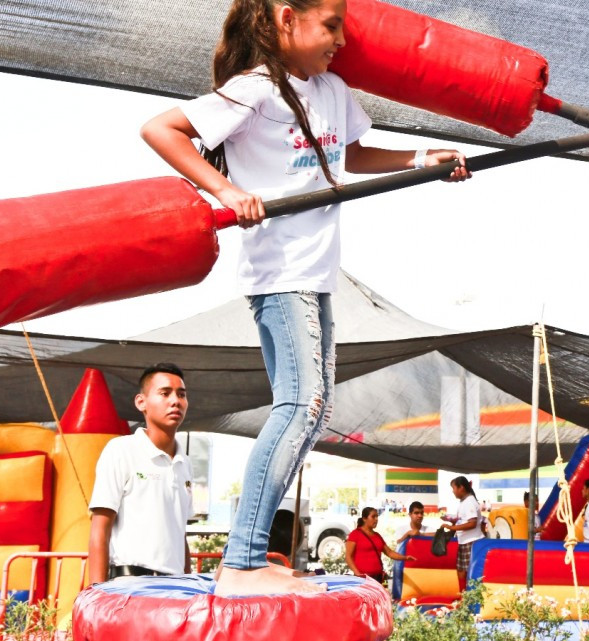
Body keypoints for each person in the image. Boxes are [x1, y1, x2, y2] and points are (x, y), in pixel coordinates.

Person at [140, 0, 469, 597]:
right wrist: (228, 191)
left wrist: (423, 160)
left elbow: (349, 157)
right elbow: (161, 129)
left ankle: (249, 557)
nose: (340, 41)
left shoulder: (333, 90)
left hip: (317, 273)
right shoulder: (255, 90)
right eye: (331, 26)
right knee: (299, 405)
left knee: (313, 412)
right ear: (287, 19)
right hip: (278, 271)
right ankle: (241, 560)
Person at [88, 363, 193, 585]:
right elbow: (100, 529)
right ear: (141, 402)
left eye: (181, 394)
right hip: (130, 586)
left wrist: (188, 586)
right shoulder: (121, 450)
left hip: (175, 589)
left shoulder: (185, 463)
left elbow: (179, 534)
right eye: (164, 393)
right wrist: (96, 593)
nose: (175, 401)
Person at [344, 507, 415, 585]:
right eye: (373, 516)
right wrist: (357, 574)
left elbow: (390, 553)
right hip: (363, 578)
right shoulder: (355, 534)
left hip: (378, 577)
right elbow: (348, 557)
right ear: (364, 519)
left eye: (377, 516)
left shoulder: (377, 536)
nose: (376, 519)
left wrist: (405, 558)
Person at [439, 476, 484, 589]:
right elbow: (464, 519)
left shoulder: (469, 502)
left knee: (468, 571)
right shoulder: (465, 502)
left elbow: (472, 523)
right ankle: (463, 594)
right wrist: (451, 520)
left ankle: (467, 595)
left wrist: (452, 527)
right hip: (465, 541)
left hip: (471, 541)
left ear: (461, 488)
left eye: (454, 488)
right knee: (461, 570)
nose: (453, 491)